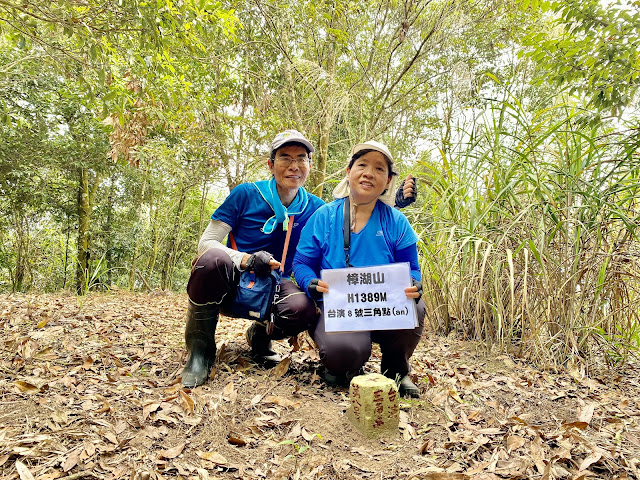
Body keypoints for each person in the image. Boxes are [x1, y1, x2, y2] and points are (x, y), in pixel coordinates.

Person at [181, 130, 417, 388]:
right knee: (211, 259)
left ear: (309, 165)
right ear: (271, 165)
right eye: (285, 158)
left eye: (301, 158)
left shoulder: (314, 207)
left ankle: (261, 334)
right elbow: (206, 243)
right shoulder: (245, 194)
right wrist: (246, 260)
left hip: (274, 286)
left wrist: (393, 202)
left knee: (300, 308)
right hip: (235, 280)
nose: (294, 166)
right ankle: (200, 351)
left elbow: (352, 211)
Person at [292, 140, 425, 398]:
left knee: (415, 306)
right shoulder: (324, 216)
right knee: (345, 354)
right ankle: (344, 363)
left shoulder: (396, 222)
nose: (369, 173)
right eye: (362, 165)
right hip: (339, 308)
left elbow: (413, 271)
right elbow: (301, 263)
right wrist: (309, 282)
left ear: (387, 181)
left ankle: (396, 371)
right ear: (348, 171)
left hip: (383, 310)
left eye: (379, 169)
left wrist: (414, 284)